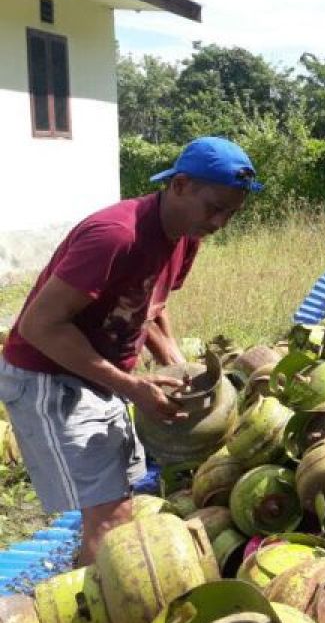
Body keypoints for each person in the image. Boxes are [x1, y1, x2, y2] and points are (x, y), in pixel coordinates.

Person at [0, 136, 261, 564]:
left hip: (99, 377)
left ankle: (96, 603)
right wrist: (131, 385)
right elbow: (40, 326)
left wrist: (175, 361)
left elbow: (149, 304)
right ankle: (88, 620)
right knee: (110, 523)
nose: (220, 223)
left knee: (120, 507)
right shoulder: (115, 235)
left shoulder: (184, 235)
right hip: (50, 379)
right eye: (214, 208)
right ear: (179, 185)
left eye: (231, 213)